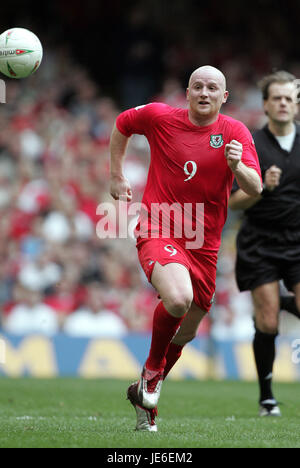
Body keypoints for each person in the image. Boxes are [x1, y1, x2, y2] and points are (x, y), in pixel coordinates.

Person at [110, 65, 262, 432]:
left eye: (213, 88)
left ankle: (146, 391)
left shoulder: (235, 132)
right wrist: (115, 174)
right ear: (188, 92)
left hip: (204, 245)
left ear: (224, 97)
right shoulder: (160, 117)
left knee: (188, 330)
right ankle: (151, 376)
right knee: (178, 299)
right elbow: (122, 123)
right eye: (198, 87)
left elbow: (255, 188)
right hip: (158, 226)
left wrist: (237, 165)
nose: (205, 93)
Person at [229, 70, 300, 417]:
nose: (284, 103)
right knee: (268, 323)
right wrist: (261, 188)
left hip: (298, 241)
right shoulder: (251, 144)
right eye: (277, 98)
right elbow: (232, 202)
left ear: (296, 104)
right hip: (260, 241)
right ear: (266, 104)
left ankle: (285, 301)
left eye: (289, 97)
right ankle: (267, 397)